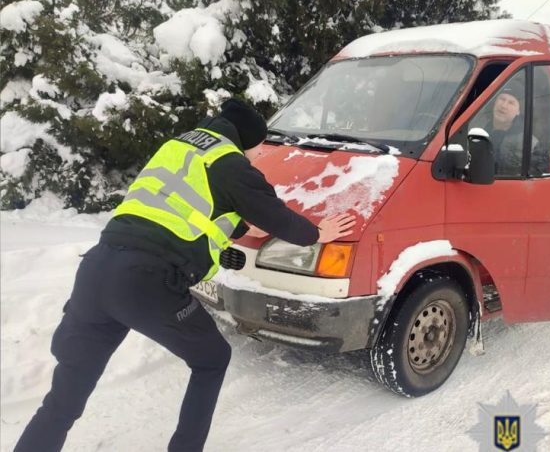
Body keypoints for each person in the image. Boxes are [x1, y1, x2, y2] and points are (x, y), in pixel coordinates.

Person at [14, 98, 356, 452]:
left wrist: (236, 223)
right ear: (248, 140)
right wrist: (318, 233)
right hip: (145, 280)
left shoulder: (178, 147)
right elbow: (277, 216)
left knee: (65, 397)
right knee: (212, 359)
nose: (258, 155)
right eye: (258, 148)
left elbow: (182, 210)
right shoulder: (230, 162)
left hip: (97, 269)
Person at [484, 86, 549, 177]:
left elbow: (534, 179)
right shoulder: (478, 132)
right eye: (502, 99)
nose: (503, 106)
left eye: (511, 103)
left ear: (518, 111)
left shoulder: (531, 144)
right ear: (495, 102)